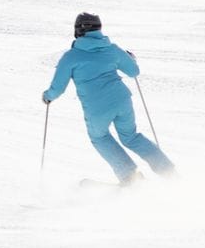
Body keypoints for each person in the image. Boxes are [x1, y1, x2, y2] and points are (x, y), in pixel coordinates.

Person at [42, 13, 174, 185]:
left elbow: (58, 88)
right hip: (122, 100)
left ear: (78, 31)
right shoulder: (112, 49)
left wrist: (48, 96)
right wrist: (130, 59)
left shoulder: (71, 56)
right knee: (131, 136)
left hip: (97, 108)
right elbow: (133, 71)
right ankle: (168, 171)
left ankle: (131, 177)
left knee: (99, 137)